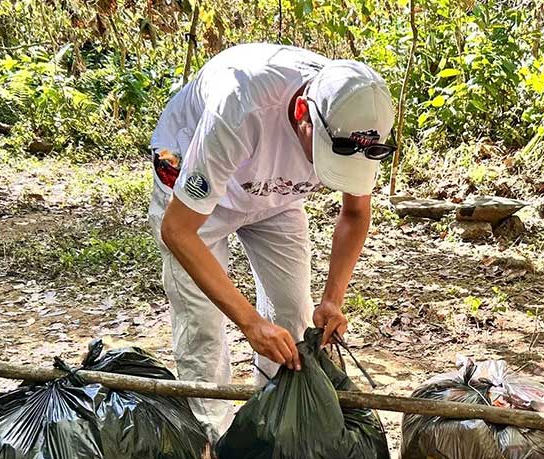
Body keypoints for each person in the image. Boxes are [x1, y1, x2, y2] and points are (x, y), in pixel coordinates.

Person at [147, 43, 395, 438]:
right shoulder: (240, 105)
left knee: (293, 315)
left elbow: (355, 212)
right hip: (194, 199)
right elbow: (178, 231)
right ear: (302, 115)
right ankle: (217, 449)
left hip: (276, 197)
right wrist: (249, 322)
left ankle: (275, 431)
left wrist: (332, 299)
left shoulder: (356, 115)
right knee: (204, 331)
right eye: (323, 156)